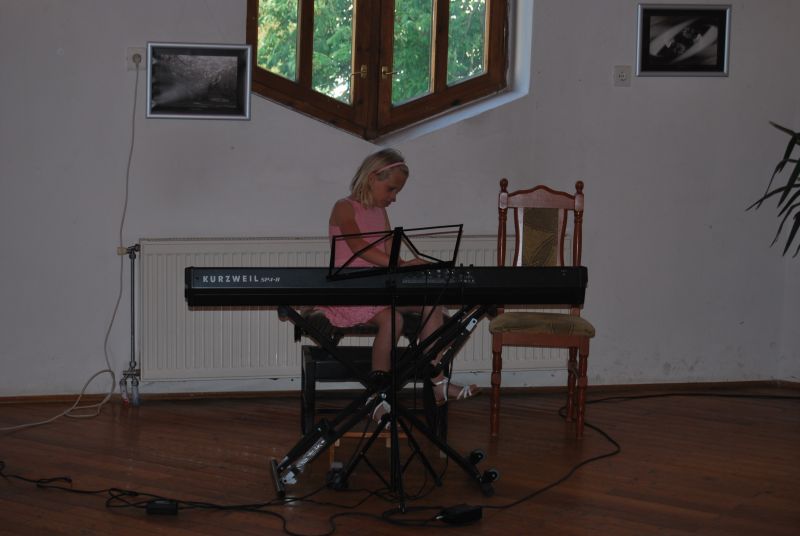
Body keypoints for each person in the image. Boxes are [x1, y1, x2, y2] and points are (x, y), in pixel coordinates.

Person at [317, 148, 479, 422]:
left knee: (432, 304)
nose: (393, 197)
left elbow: (390, 252)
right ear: (372, 178)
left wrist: (411, 267)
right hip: (352, 290)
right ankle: (378, 396)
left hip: (378, 290)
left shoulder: (380, 212)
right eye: (391, 189)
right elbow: (357, 245)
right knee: (392, 319)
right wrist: (401, 265)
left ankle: (437, 381)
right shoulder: (344, 206)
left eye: (397, 192)